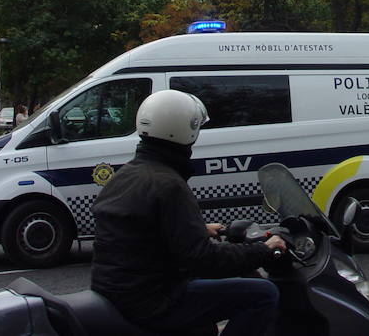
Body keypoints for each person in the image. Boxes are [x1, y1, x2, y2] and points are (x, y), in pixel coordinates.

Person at [91, 90, 285, 335]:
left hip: (119, 290)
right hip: (151, 298)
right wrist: (262, 250)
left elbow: (135, 229)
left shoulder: (127, 174)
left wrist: (198, 229)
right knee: (263, 295)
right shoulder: (169, 184)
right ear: (186, 131)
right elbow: (203, 259)